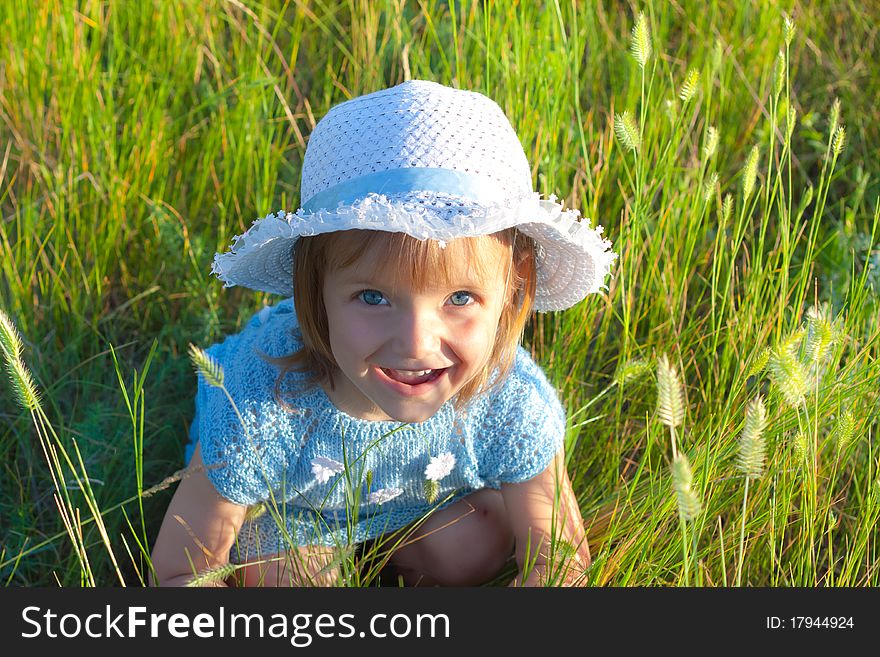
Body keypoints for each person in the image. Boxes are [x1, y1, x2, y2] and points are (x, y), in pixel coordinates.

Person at [150, 79, 616, 587]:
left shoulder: (511, 400)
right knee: (285, 580)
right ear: (314, 292)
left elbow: (561, 561)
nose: (416, 343)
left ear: (511, 289)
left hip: (426, 504)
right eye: (373, 298)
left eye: (459, 298)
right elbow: (181, 572)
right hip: (297, 510)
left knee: (478, 540)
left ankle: (400, 555)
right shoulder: (261, 402)